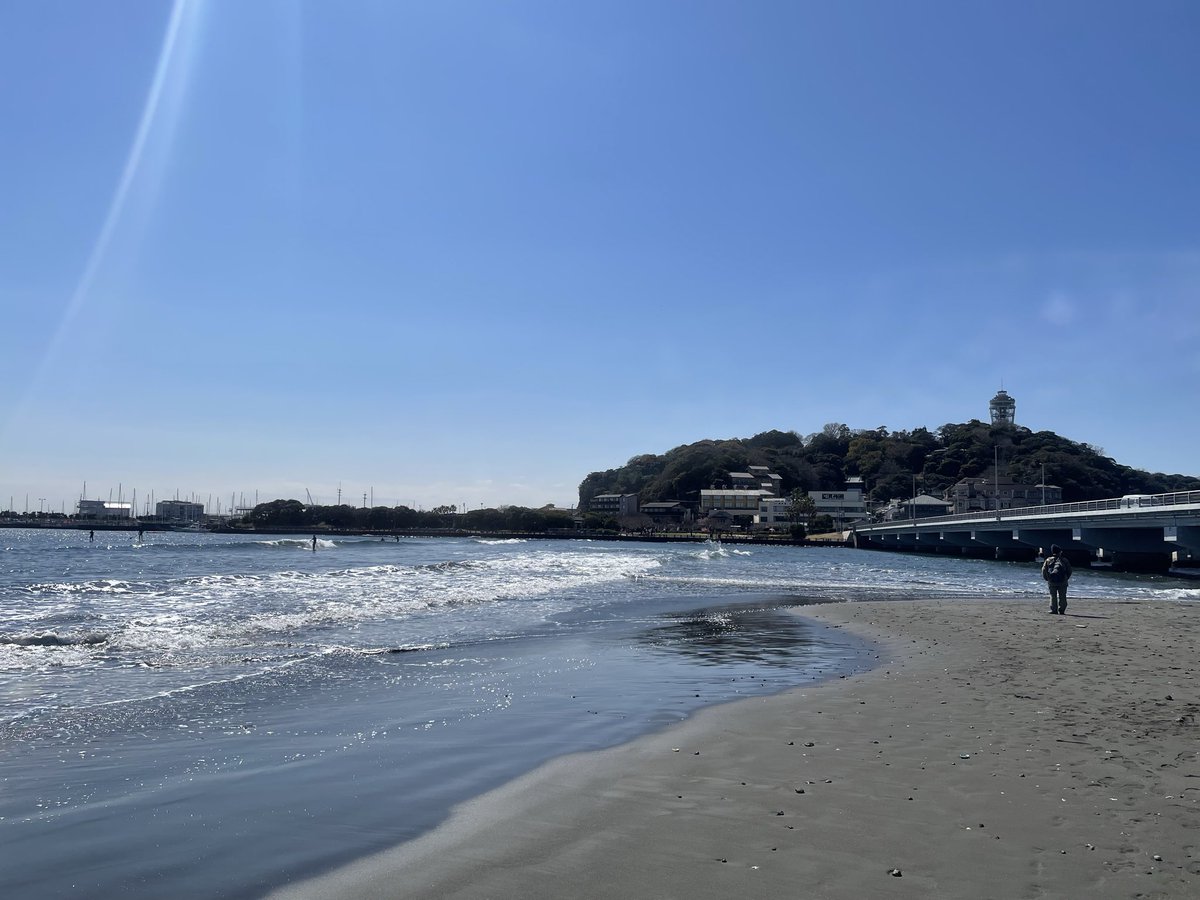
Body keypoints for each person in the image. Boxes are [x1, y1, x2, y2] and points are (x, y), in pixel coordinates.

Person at [1041, 544, 1073, 615]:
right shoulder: (1064, 560)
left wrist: (1047, 578)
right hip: (1063, 581)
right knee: (1062, 595)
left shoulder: (1048, 560)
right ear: (1060, 552)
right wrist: (1066, 578)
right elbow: (1069, 571)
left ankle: (1054, 609)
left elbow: (1044, 570)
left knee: (1053, 595)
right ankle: (1062, 610)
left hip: (1051, 581)